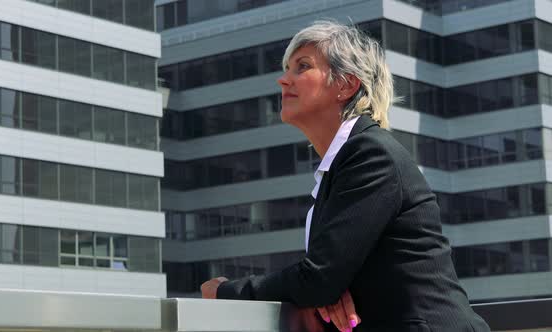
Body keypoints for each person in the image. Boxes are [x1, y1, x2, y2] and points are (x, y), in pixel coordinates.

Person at [201, 20, 491, 332]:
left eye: (302, 66)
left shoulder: (370, 153)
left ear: (346, 85)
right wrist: (330, 288)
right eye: (287, 68)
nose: (283, 80)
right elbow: (328, 276)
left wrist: (224, 291)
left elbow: (318, 278)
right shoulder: (344, 162)